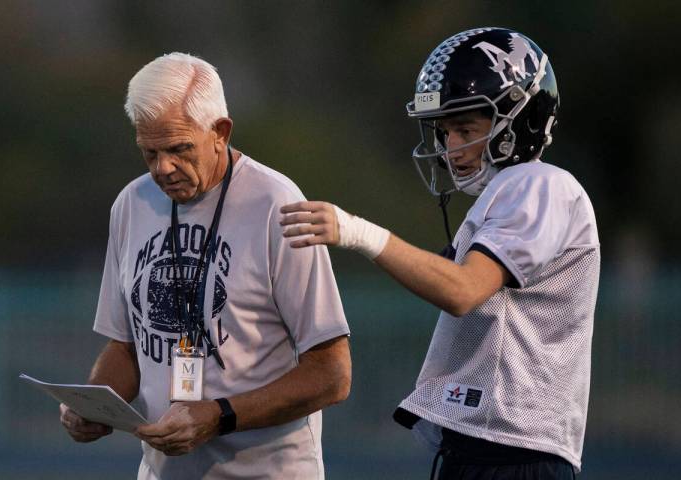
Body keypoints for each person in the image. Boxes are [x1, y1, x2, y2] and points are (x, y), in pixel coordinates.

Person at [281, 27, 599, 479]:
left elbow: (464, 290)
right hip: (486, 445)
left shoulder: (540, 185)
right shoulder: (508, 194)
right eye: (446, 131)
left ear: (519, 120)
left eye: (466, 129)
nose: (452, 148)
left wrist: (359, 233)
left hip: (515, 452)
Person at [59, 52, 352, 480]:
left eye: (179, 149)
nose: (163, 169)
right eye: (149, 152)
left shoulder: (279, 204)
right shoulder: (131, 204)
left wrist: (219, 415)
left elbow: (332, 374)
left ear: (220, 132)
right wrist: (95, 405)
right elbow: (127, 345)